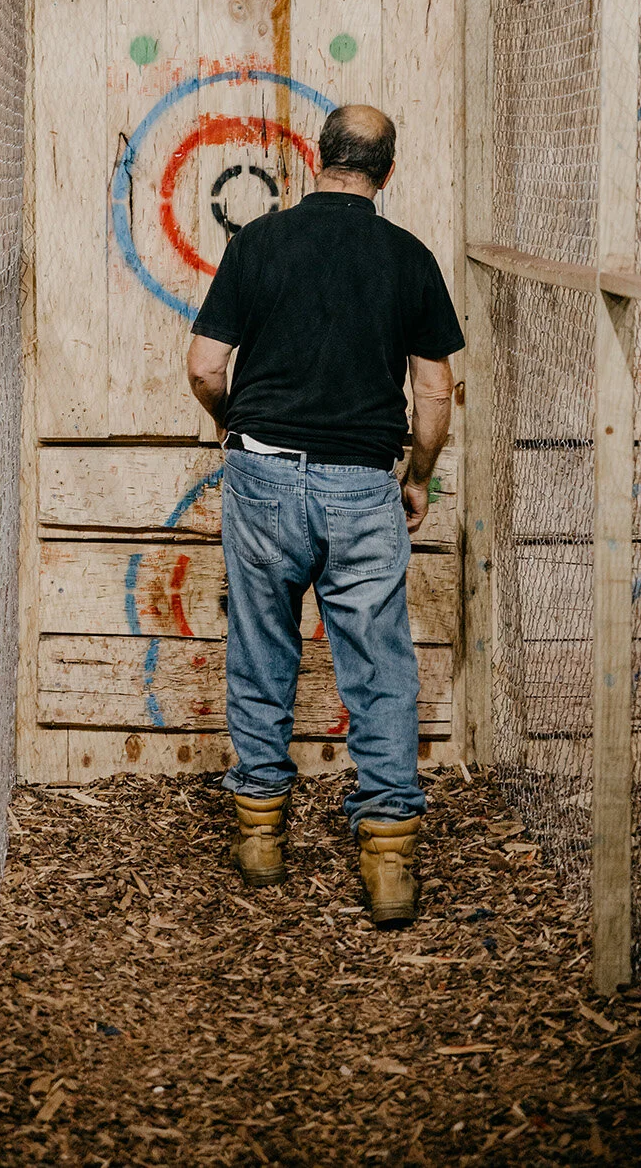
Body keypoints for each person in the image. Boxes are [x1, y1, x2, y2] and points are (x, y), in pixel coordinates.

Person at [186, 104, 463, 925]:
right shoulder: (408, 257)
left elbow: (204, 367)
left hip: (261, 473)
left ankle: (261, 834)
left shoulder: (258, 242)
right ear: (387, 169)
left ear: (317, 158)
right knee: (377, 663)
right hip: (359, 483)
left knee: (260, 645)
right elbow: (435, 389)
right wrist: (418, 474)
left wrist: (233, 426)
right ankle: (385, 858)